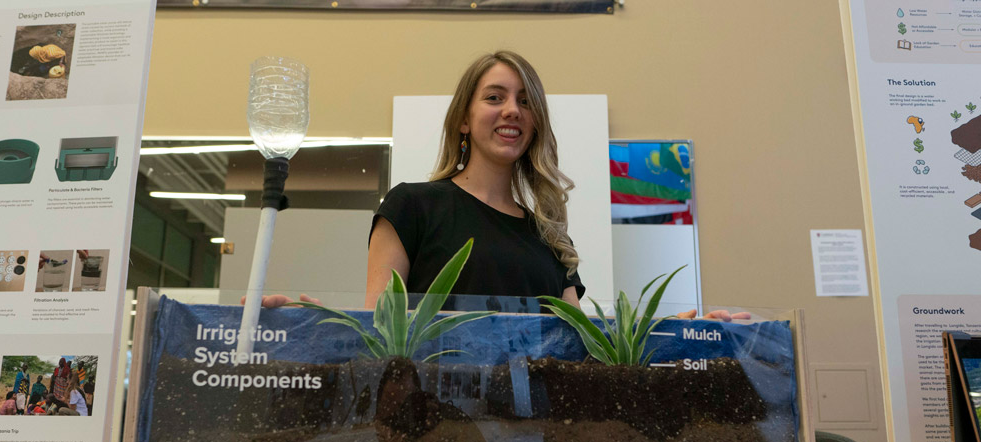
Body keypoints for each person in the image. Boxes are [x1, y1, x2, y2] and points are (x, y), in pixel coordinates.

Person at [255, 52, 744, 322]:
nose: (512, 109)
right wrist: (302, 319)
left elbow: (585, 344)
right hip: (433, 433)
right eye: (494, 97)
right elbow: (379, 326)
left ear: (534, 124)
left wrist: (676, 333)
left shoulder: (550, 236)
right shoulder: (412, 206)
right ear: (464, 120)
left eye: (524, 101)